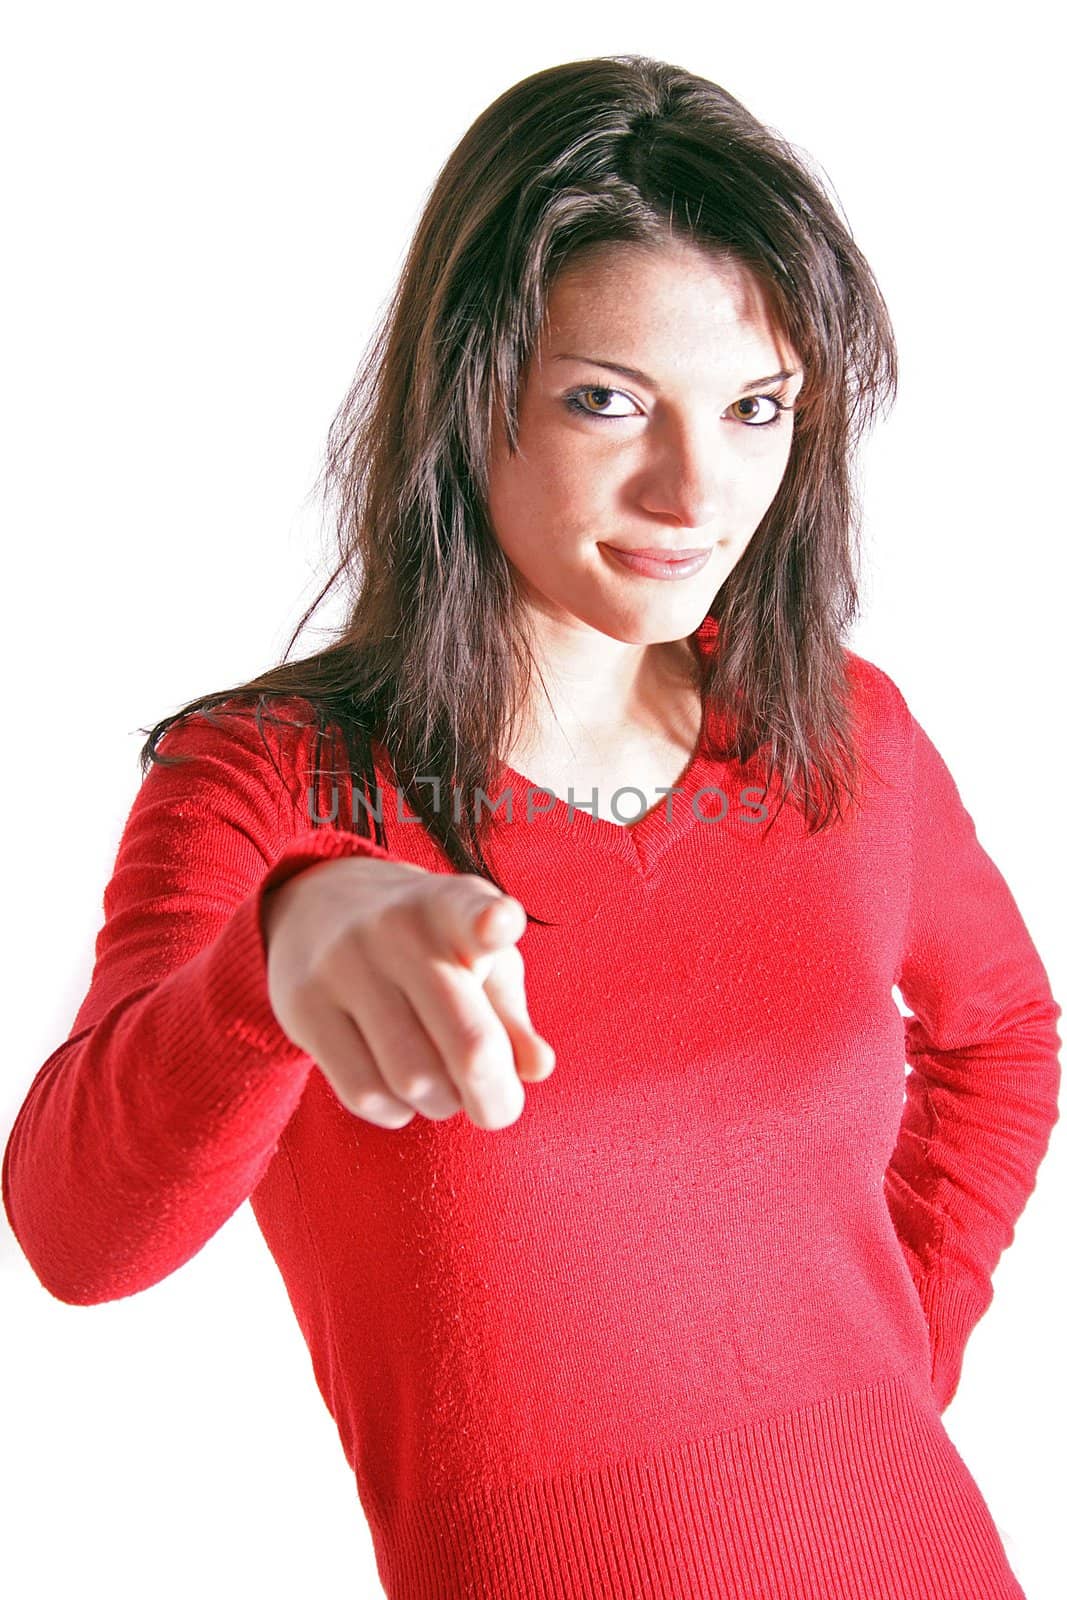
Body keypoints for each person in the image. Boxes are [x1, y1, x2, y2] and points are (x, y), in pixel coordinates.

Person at [2, 52, 1059, 1600]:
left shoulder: (841, 729)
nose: (697, 488)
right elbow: (79, 1241)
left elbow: (1004, 1034)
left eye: (758, 406)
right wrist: (276, 951)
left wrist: (898, 1354)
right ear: (469, 389)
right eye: (608, 401)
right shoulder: (270, 783)